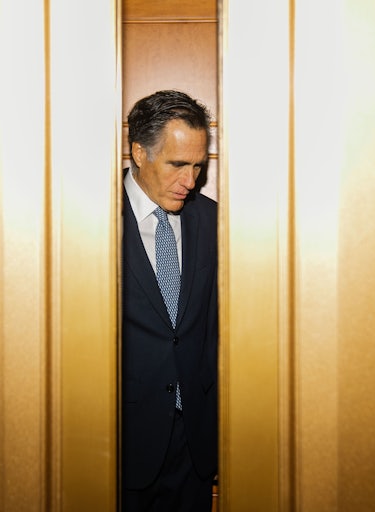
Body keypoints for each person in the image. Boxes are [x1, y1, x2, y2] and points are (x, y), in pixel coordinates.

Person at [121, 90, 218, 511]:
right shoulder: (86, 218)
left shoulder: (213, 220)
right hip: (119, 443)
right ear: (139, 152)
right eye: (178, 164)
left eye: (198, 166)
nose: (190, 180)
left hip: (194, 445)